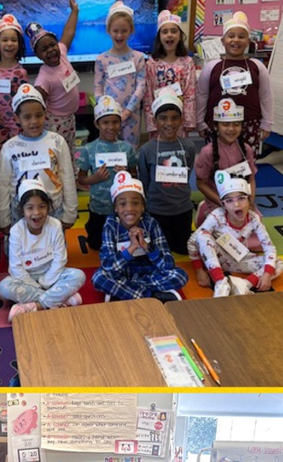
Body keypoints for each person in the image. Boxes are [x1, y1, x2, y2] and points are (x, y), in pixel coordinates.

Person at [92, 171, 188, 303]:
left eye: (136, 203)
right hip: (123, 272)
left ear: (143, 207)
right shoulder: (111, 225)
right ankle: (153, 297)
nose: (130, 209)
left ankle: (127, 293)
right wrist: (131, 248)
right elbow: (108, 266)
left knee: (180, 275)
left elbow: (168, 264)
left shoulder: (151, 223)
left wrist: (147, 247)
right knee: (99, 277)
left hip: (149, 273)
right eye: (123, 204)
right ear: (115, 208)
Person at [0, 178, 85, 321]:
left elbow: (60, 258)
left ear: (48, 207)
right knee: (4, 287)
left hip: (52, 276)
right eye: (30, 208)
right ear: (22, 210)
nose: (36, 213)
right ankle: (61, 299)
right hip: (26, 278)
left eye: (42, 206)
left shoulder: (55, 225)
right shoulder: (16, 231)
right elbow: (16, 268)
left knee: (78, 275)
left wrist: (46, 282)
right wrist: (38, 286)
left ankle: (34, 306)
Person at [188, 171, 283, 295]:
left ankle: (244, 285)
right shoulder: (217, 216)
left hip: (238, 258)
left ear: (249, 200)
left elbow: (269, 248)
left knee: (278, 262)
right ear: (223, 204)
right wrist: (199, 270)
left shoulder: (254, 219)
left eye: (241, 198)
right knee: (203, 235)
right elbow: (192, 241)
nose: (236, 204)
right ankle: (220, 283)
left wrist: (266, 274)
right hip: (215, 260)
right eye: (229, 201)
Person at [0, 83, 78, 229]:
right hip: (21, 212)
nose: (34, 121)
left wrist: (70, 212)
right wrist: (4, 218)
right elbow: (3, 184)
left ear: (45, 114)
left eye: (39, 115)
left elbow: (67, 177)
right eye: (27, 117)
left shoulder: (57, 141)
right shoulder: (9, 147)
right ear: (17, 118)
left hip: (54, 210)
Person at [196, 11, 274, 150]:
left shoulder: (257, 66)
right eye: (231, 36)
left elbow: (266, 96)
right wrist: (200, 121)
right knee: (216, 163)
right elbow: (202, 95)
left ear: (248, 41)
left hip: (249, 124)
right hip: (217, 124)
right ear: (222, 41)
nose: (236, 40)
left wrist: (267, 122)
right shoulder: (211, 67)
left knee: (245, 164)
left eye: (241, 37)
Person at [138, 89, 196, 256]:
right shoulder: (146, 150)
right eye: (163, 118)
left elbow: (188, 171)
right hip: (157, 211)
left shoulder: (189, 147)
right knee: (159, 252)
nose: (169, 123)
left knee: (182, 250)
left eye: (174, 118)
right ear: (155, 121)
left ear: (181, 120)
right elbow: (144, 181)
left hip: (182, 210)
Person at [77, 95, 137, 252]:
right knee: (96, 246)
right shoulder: (88, 149)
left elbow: (135, 176)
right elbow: (81, 179)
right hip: (98, 208)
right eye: (105, 122)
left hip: (123, 209)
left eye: (115, 122)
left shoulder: (126, 148)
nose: (111, 127)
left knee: (122, 245)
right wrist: (94, 178)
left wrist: (127, 175)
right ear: (97, 124)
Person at [28, 0, 81, 166]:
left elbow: (69, 32)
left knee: (70, 150)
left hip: (70, 119)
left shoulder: (63, 53)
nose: (51, 50)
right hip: (55, 123)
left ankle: (71, 180)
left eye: (52, 45)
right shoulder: (44, 77)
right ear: (38, 56)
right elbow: (37, 101)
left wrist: (74, 11)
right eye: (44, 49)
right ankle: (56, 184)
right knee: (56, 155)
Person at [194, 97, 257, 227]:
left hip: (241, 201)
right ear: (216, 126)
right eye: (225, 124)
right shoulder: (208, 152)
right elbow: (201, 182)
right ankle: (206, 209)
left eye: (236, 124)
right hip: (218, 201)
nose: (231, 129)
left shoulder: (246, 149)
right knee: (224, 239)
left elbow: (251, 179)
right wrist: (222, 202)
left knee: (253, 238)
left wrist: (250, 200)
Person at [94, 0, 146, 148]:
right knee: (109, 151)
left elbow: (141, 87)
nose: (119, 35)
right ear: (108, 31)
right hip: (108, 118)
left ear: (131, 31)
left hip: (131, 116)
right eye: (115, 31)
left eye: (124, 31)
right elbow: (98, 89)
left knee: (129, 153)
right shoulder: (101, 59)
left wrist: (127, 112)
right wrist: (104, 110)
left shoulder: (138, 58)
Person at [144, 10, 197, 137]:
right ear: (159, 37)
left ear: (180, 36)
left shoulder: (187, 63)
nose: (169, 35)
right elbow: (148, 95)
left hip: (179, 120)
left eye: (174, 31)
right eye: (165, 32)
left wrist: (189, 121)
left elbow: (190, 93)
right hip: (159, 120)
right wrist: (151, 123)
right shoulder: (151, 64)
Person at [0, 13, 28, 154]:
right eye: (4, 40)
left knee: (18, 155)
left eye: (13, 40)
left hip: (17, 124)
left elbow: (25, 102)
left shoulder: (21, 72)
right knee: (3, 155)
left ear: (19, 44)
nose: (9, 44)